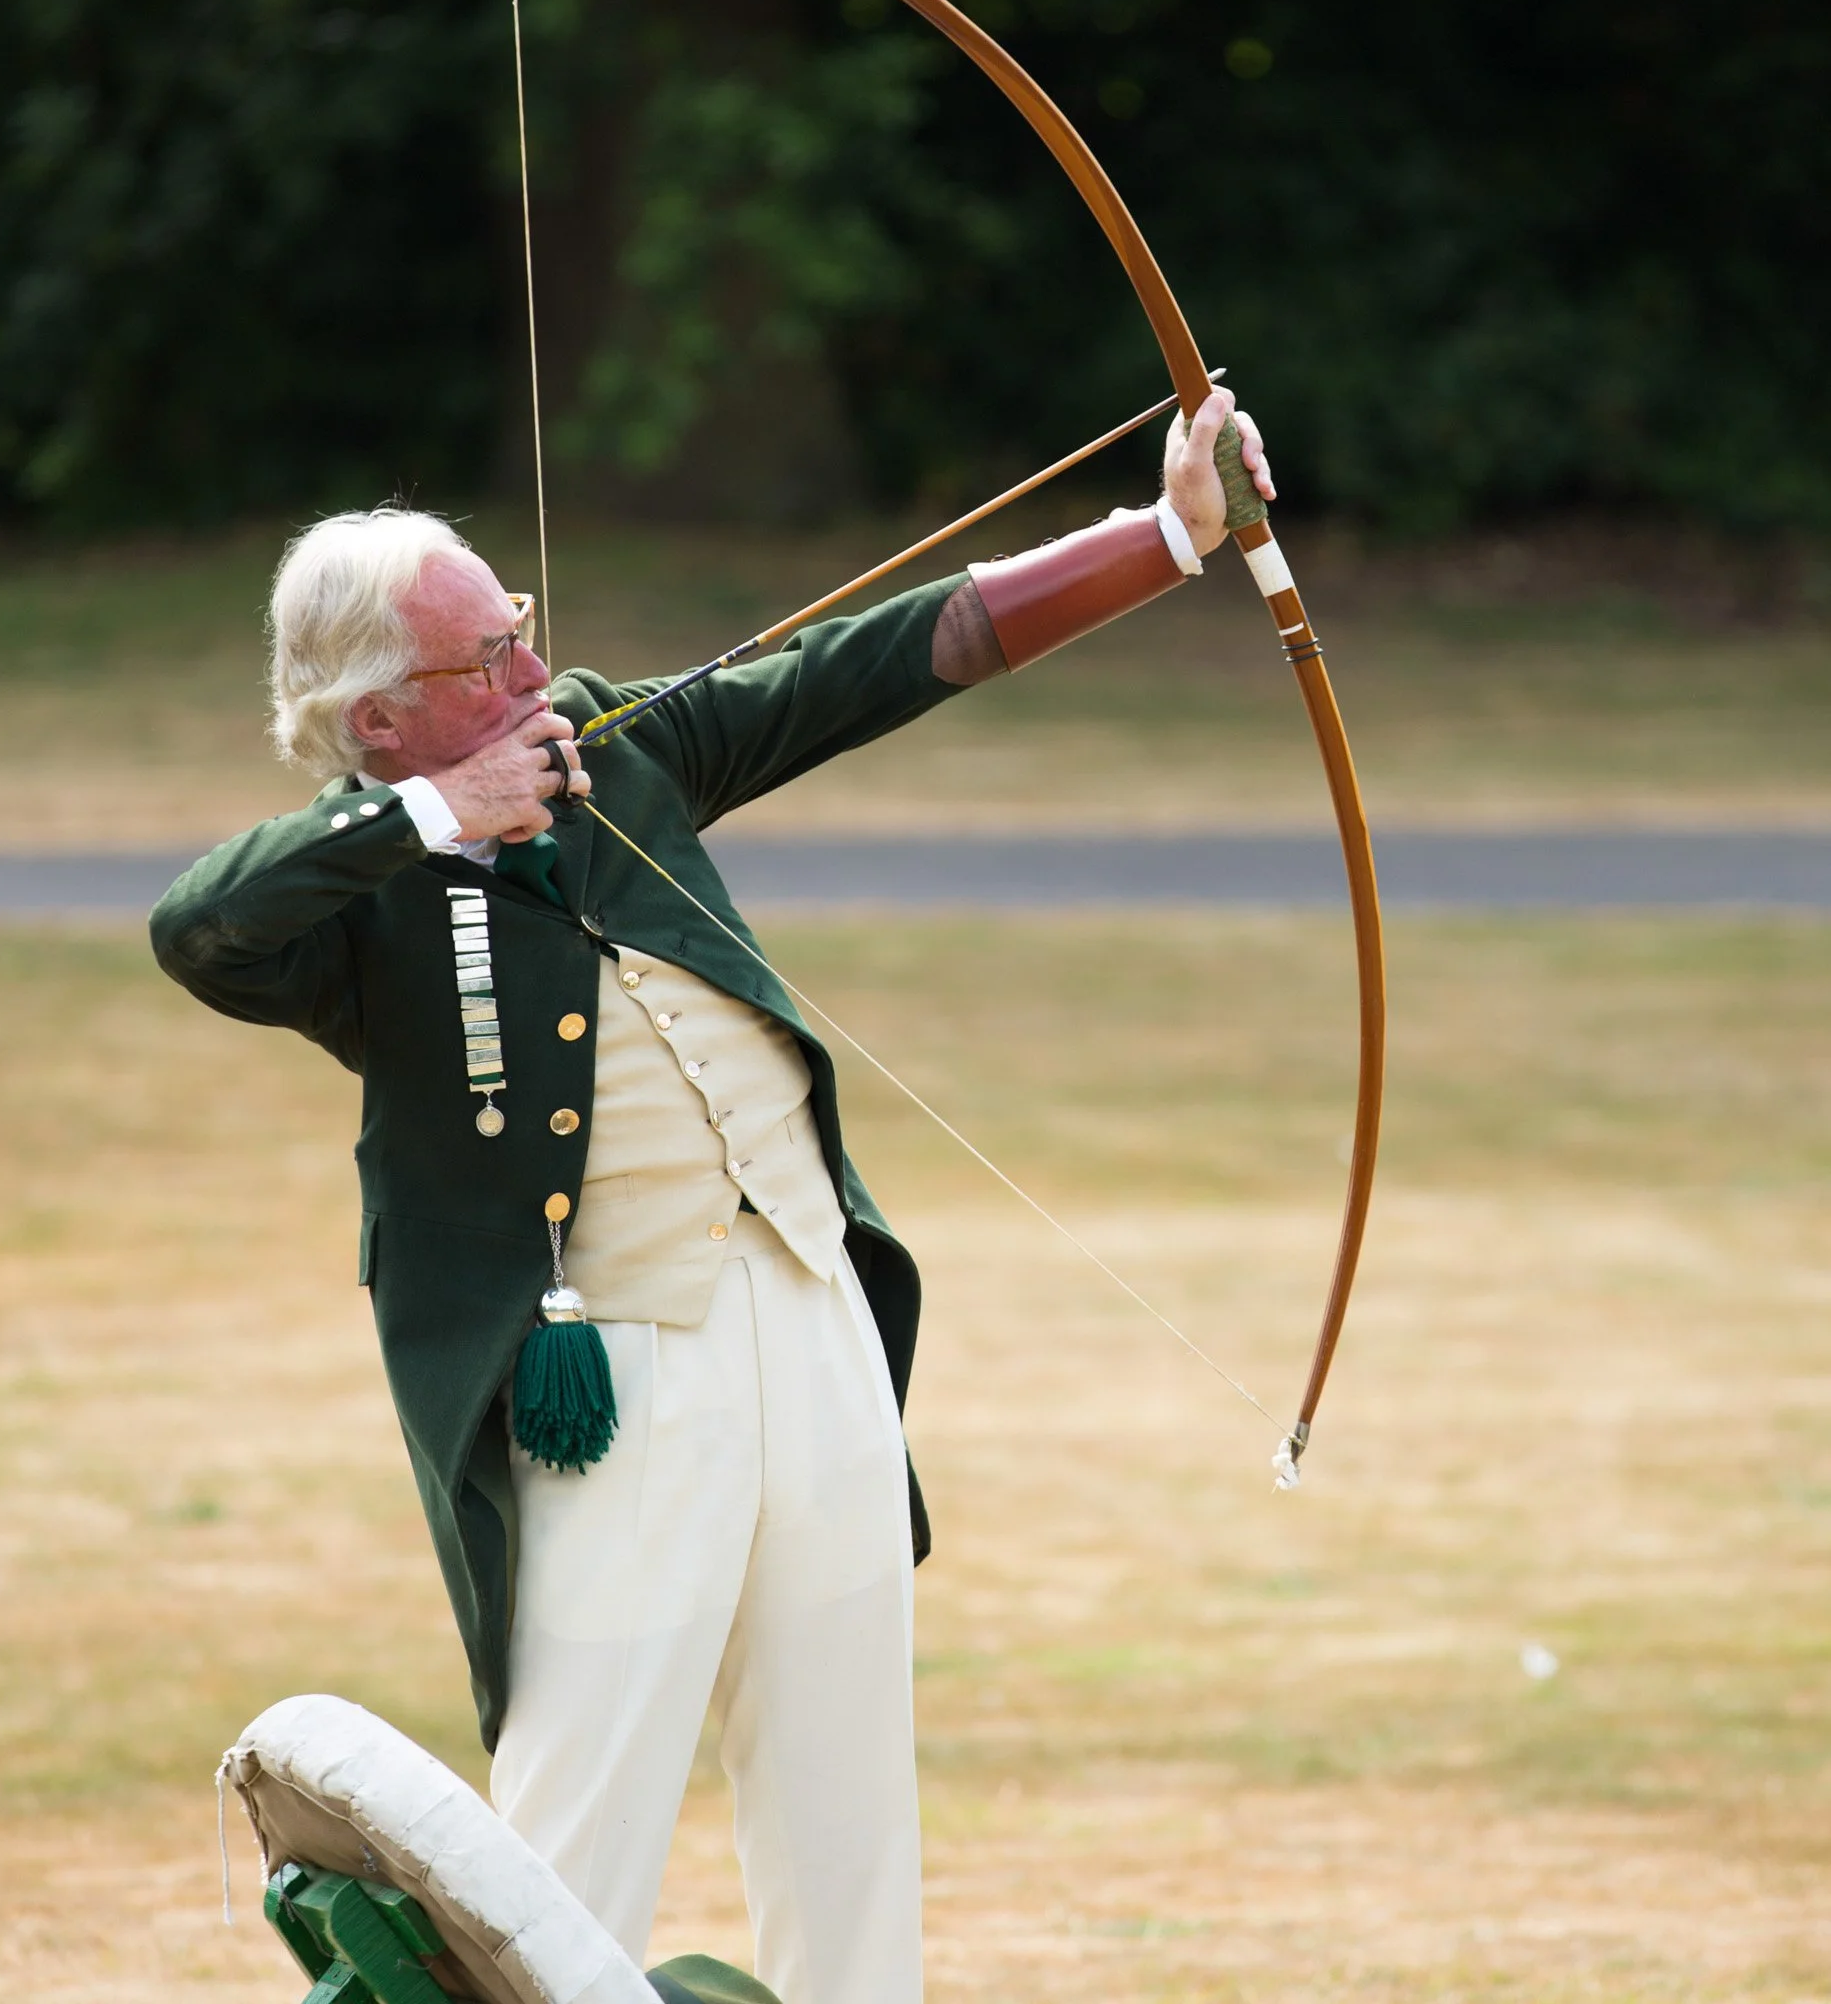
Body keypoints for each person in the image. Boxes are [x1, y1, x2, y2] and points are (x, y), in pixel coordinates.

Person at [152, 390, 1272, 2004]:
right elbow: (195, 929)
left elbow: (871, 665)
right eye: (489, 665)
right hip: (606, 1368)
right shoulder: (351, 895)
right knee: (572, 1813)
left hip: (805, 1302)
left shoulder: (614, 745)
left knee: (843, 1773)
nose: (536, 678)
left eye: (521, 634)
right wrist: (431, 823)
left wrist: (1166, 540)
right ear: (378, 717)